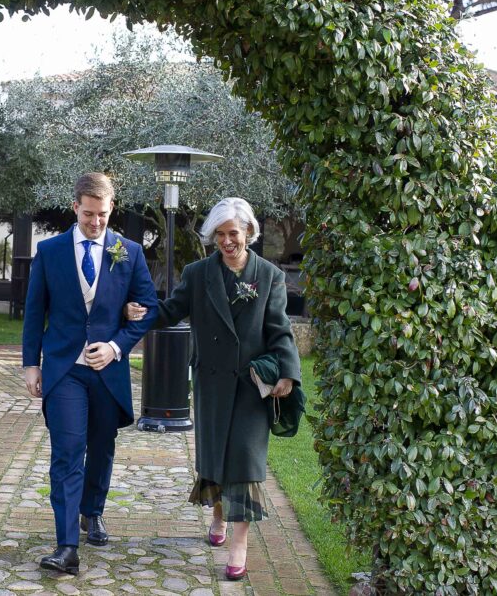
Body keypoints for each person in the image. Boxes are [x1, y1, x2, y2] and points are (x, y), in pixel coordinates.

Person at [126, 197, 300, 580]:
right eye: (219, 234)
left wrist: (288, 373)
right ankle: (219, 514)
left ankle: (240, 543)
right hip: (211, 381)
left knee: (245, 459)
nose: (227, 241)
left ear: (249, 233)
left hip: (253, 386)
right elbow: (171, 310)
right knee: (214, 455)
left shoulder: (269, 275)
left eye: (233, 233)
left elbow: (279, 329)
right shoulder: (198, 272)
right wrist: (140, 310)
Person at [22, 172, 158, 575]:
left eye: (102, 214)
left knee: (102, 446)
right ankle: (67, 546)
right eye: (88, 214)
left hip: (108, 372)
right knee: (67, 452)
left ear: (111, 208)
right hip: (64, 370)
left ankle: (92, 511)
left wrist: (116, 345)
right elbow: (34, 313)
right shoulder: (49, 252)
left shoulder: (129, 252)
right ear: (75, 207)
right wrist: (31, 364)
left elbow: (148, 308)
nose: (95, 222)